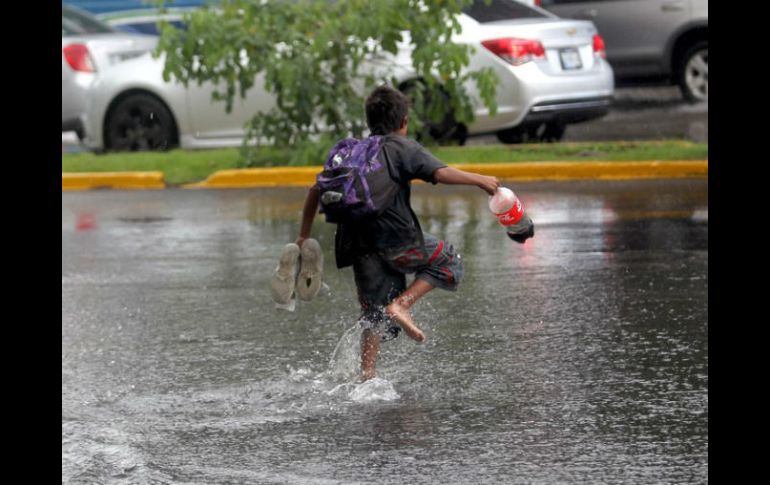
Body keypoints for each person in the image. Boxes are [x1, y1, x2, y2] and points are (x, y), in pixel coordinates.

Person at [295, 85, 500, 381]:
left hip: (358, 247)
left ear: (369, 121)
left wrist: (303, 236)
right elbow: (439, 173)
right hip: (398, 242)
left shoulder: (352, 153)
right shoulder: (401, 147)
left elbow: (315, 189)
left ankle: (366, 376)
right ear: (404, 121)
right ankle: (402, 305)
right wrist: (480, 180)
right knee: (448, 259)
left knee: (372, 314)